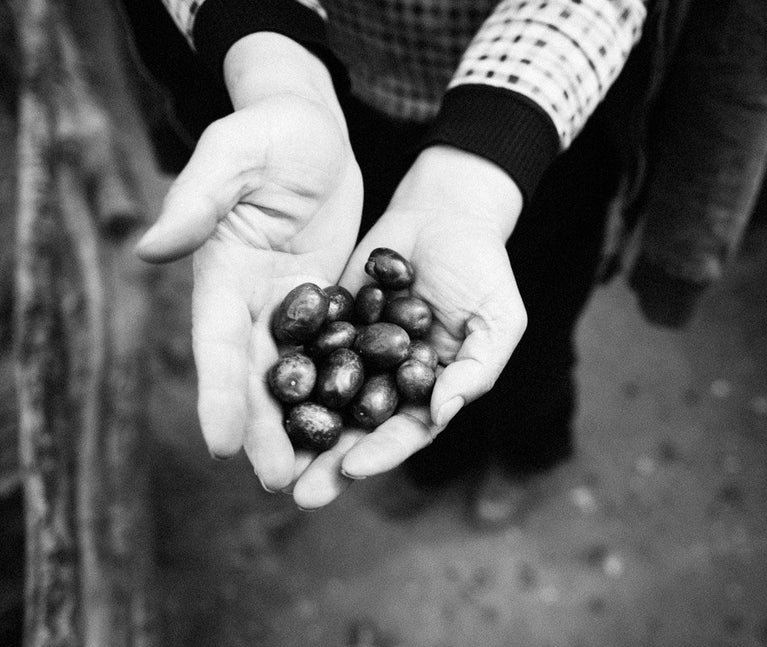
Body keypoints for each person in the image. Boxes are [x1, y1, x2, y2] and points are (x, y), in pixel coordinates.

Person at [134, 0, 648, 519]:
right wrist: (277, 64)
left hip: (541, 122)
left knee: (534, 340)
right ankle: (436, 466)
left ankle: (529, 456)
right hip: (343, 97)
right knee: (438, 370)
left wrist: (495, 142)